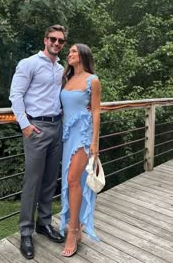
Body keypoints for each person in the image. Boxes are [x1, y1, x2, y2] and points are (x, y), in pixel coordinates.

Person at [9, 24, 67, 260]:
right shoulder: (29, 63)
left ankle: (44, 224)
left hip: (57, 126)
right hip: (36, 128)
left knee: (50, 180)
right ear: (45, 40)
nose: (56, 43)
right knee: (32, 182)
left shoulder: (61, 68)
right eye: (52, 39)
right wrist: (24, 125)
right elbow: (16, 95)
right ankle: (26, 232)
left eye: (60, 40)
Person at [59, 43, 101, 257]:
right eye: (70, 51)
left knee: (73, 180)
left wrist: (95, 143)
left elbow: (95, 111)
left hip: (83, 135)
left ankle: (73, 231)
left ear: (84, 55)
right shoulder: (66, 79)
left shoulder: (92, 80)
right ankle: (76, 225)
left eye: (74, 51)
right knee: (72, 181)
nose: (69, 54)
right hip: (67, 136)